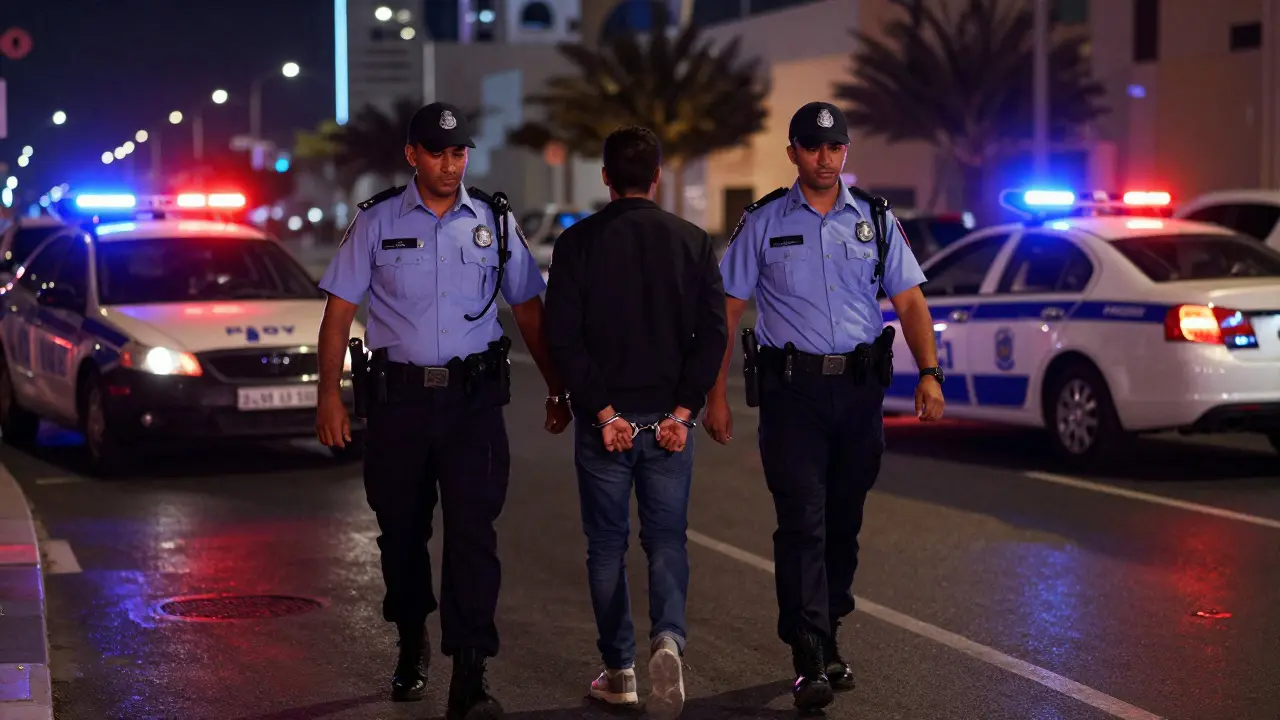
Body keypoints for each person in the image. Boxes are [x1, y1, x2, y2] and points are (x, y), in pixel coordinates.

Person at [314, 101, 571, 720]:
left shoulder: (493, 221)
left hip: (472, 404)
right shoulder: (375, 222)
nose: (451, 164)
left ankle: (472, 670)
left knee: (473, 534)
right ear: (412, 156)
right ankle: (411, 639)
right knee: (402, 534)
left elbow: (529, 309)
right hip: (398, 403)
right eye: (438, 152)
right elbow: (339, 311)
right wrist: (329, 394)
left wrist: (559, 386)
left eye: (459, 152)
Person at [703, 101, 945, 712]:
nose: (825, 157)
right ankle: (809, 648)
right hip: (793, 397)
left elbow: (911, 302)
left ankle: (828, 624)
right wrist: (713, 397)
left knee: (844, 521)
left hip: (860, 391)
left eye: (835, 147)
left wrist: (930, 373)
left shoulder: (875, 220)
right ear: (793, 153)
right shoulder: (761, 223)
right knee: (802, 520)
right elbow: (726, 313)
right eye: (813, 147)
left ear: (846, 152)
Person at [544, 126, 727, 719]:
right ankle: (668, 641)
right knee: (667, 540)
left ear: (604, 177)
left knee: (605, 547)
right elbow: (712, 336)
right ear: (657, 176)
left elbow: (564, 339)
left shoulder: (577, 245)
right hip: (668, 424)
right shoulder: (693, 241)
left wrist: (601, 412)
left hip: (607, 423)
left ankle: (620, 670)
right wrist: (683, 411)